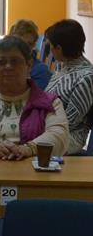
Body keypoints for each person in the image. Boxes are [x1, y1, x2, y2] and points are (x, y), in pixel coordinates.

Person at [0, 36, 68, 159]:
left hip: (37, 176)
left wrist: (28, 149)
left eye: (15, 61)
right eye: (1, 62)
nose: (7, 67)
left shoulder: (51, 103)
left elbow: (59, 135)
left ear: (29, 65)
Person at [44, 19, 93, 154]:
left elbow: (70, 121)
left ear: (59, 48)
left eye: (51, 46)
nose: (50, 51)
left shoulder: (86, 77)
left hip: (69, 137)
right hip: (49, 127)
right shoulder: (62, 65)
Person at [0, 19, 52, 96]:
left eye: (29, 44)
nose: (23, 49)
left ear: (33, 45)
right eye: (17, 44)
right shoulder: (1, 65)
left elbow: (36, 100)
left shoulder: (40, 70)